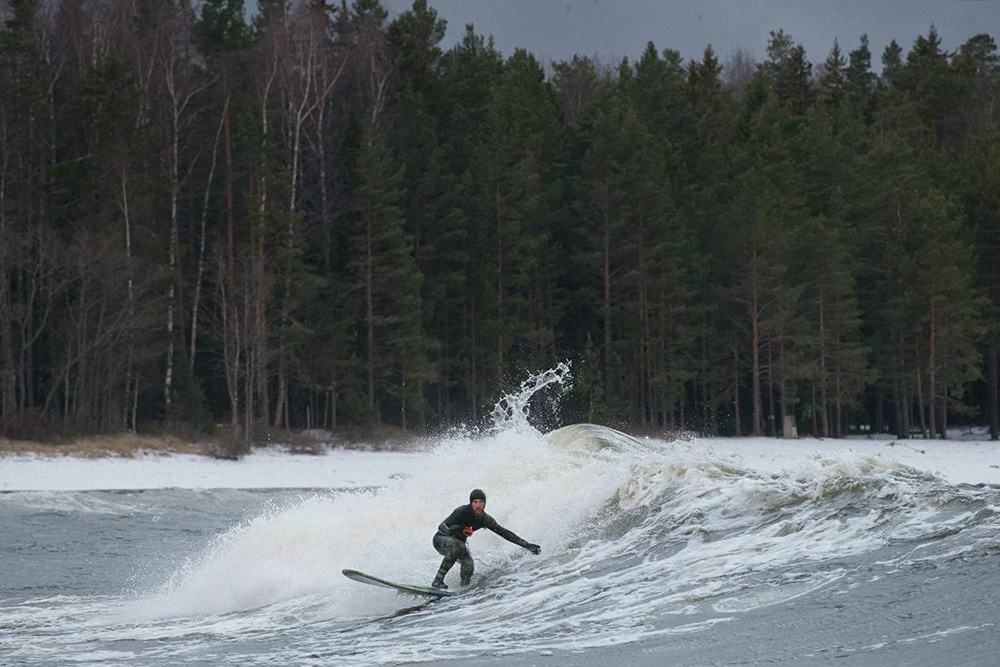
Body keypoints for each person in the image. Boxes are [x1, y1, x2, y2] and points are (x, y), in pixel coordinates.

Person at [431, 489, 541, 589]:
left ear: (485, 503)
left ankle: (463, 589)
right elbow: (441, 527)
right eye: (475, 502)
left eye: (481, 502)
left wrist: (527, 545)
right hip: (440, 540)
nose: (478, 505)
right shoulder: (461, 511)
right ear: (471, 503)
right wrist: (456, 529)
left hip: (458, 545)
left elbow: (504, 533)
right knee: (458, 546)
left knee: (469, 564)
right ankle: (437, 580)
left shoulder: (485, 519)